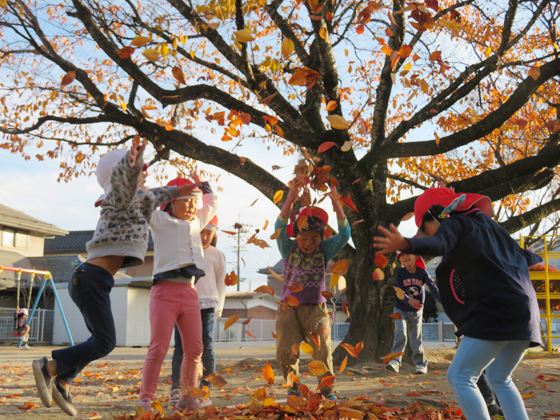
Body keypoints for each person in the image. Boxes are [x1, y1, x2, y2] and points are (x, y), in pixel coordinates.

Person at [32, 140, 198, 417]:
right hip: (91, 278)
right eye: (141, 171)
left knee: (97, 338)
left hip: (95, 280)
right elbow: (124, 181)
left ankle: (62, 382)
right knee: (105, 342)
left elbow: (153, 197)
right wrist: (131, 161)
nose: (145, 175)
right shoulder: (119, 197)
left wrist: (176, 191)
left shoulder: (139, 202)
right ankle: (50, 367)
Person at [374, 186, 543, 420]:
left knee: (460, 375)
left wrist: (407, 244)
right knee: (500, 377)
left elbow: (440, 243)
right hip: (526, 315)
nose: (429, 235)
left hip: (496, 311)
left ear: (438, 215)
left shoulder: (454, 222)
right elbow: (525, 256)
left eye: (426, 227)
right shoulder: (491, 227)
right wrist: (535, 257)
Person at [138, 174, 218, 414]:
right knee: (159, 349)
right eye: (186, 200)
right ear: (171, 202)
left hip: (190, 292)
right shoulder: (159, 219)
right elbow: (143, 202)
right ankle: (146, 399)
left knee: (195, 349)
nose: (193, 206)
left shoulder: (196, 222)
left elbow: (211, 203)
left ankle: (187, 396)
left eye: (195, 201)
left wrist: (202, 185)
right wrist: (168, 188)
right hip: (164, 292)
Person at [274, 181, 350, 401]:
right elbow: (279, 224)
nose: (308, 243)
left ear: (323, 237)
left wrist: (336, 203)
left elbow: (345, 234)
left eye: (314, 239)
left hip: (316, 308)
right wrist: (291, 196)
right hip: (288, 308)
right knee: (286, 350)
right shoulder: (287, 247)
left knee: (323, 351)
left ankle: (327, 391)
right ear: (296, 235)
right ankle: (292, 388)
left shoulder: (325, 250)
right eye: (303, 238)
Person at [169, 215, 226, 408]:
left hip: (208, 306)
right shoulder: (186, 252)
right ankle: (176, 389)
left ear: (214, 234)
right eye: (201, 232)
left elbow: (221, 282)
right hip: (185, 304)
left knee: (207, 346)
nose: (204, 237)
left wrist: (219, 307)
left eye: (208, 233)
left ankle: (205, 389)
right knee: (180, 347)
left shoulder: (217, 254)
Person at [386, 252, 441, 375]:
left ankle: (421, 364)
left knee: (416, 339)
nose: (405, 257)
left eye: (408, 254)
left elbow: (432, 287)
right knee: (401, 334)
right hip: (400, 309)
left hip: (416, 311)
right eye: (402, 256)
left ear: (416, 256)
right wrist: (408, 301)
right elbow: (399, 291)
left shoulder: (422, 272)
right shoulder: (400, 273)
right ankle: (395, 362)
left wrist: (443, 301)